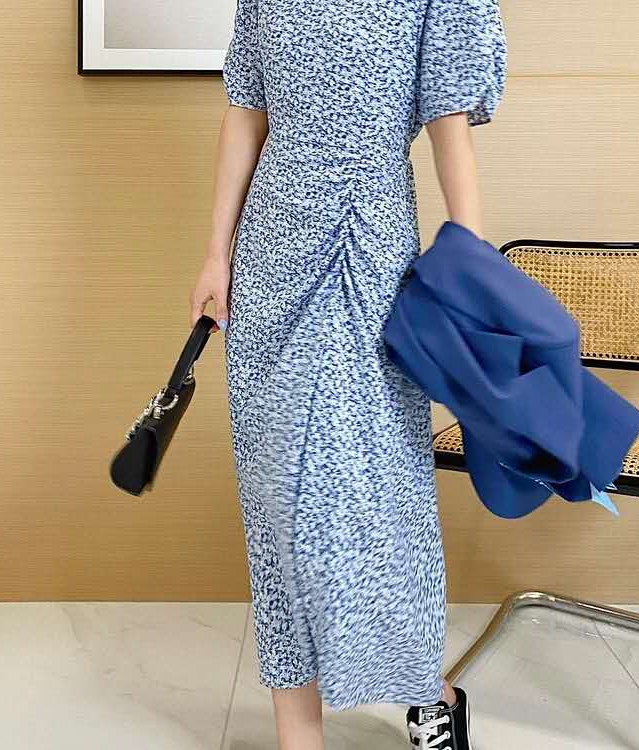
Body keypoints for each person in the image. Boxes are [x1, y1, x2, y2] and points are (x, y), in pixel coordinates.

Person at [189, 1, 507, 747]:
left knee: (374, 492)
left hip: (370, 250)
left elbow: (449, 126)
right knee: (276, 500)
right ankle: (298, 734)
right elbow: (246, 112)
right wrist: (216, 253)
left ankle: (428, 688)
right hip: (270, 254)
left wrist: (471, 264)